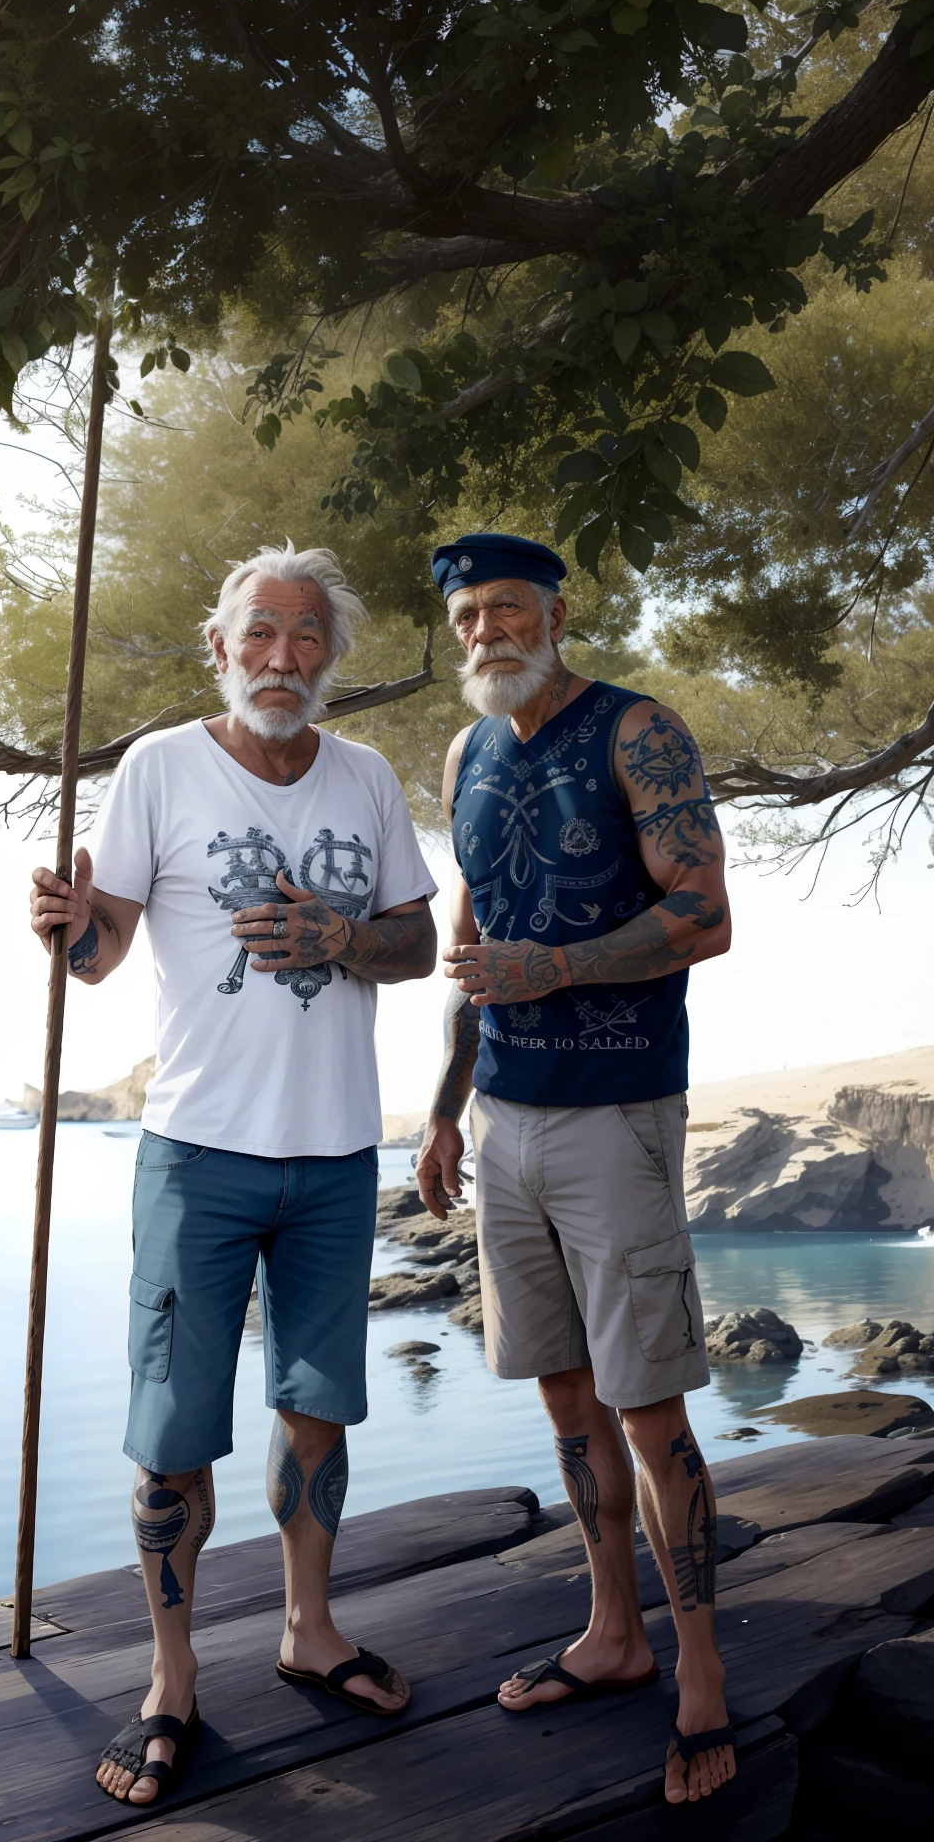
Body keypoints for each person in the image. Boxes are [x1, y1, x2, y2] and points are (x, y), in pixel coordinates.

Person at [29, 542, 437, 1808]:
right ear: (220, 647)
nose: (281, 657)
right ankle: (170, 1674)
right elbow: (101, 952)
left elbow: (417, 942)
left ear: (331, 658)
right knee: (173, 1436)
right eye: (258, 634)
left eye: (306, 636)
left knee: (317, 1411)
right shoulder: (159, 765)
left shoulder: (366, 778)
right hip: (197, 1154)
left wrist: (341, 934)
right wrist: (67, 923)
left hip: (332, 1155)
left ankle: (310, 1628)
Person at [415, 531, 734, 1807]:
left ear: (555, 611)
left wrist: (561, 966)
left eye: (508, 607)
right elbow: (471, 937)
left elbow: (704, 913)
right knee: (564, 1394)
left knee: (650, 1408)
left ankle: (701, 1673)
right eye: (467, 615)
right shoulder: (463, 751)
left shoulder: (636, 729)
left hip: (617, 1109)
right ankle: (614, 1633)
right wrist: (444, 1110)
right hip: (505, 1117)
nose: (488, 629)